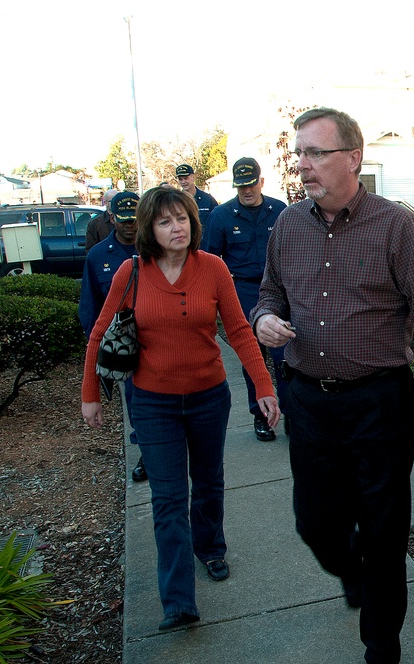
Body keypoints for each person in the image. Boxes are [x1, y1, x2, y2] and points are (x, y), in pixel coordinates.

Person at [252, 107, 414, 664]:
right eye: (299, 153)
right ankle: (352, 571)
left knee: (386, 535)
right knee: (315, 523)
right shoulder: (288, 226)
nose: (302, 166)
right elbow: (270, 293)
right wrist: (263, 319)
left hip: (379, 403)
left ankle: (381, 650)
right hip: (309, 402)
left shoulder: (394, 225)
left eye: (315, 153)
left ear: (353, 159)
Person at [80, 186, 280, 632]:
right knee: (168, 498)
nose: (178, 228)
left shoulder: (213, 269)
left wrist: (264, 388)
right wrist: (90, 393)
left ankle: (210, 547)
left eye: (184, 219)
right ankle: (178, 600)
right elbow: (98, 334)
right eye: (166, 221)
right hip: (152, 403)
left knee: (208, 482)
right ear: (150, 229)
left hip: (210, 397)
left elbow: (241, 332)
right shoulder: (130, 274)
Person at [203, 157, 287, 441]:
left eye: (251, 184)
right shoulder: (222, 215)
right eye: (241, 186)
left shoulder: (280, 211)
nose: (247, 191)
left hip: (279, 290)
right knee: (254, 356)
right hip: (243, 291)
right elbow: (209, 260)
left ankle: (291, 413)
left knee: (284, 355)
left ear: (261, 181)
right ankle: (261, 416)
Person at [78, 191, 148, 483]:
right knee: (135, 399)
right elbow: (90, 307)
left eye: (134, 220)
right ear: (111, 219)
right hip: (124, 345)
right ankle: (148, 452)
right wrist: (98, 350)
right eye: (123, 221)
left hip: (158, 337)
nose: (129, 226)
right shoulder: (97, 257)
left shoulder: (155, 250)